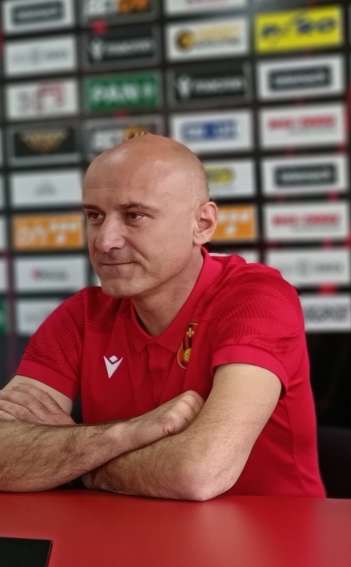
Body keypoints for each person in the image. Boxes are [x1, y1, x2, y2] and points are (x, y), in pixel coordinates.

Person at [0, 134, 325, 500]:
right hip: (123, 531)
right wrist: (124, 434)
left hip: (270, 534)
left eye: (134, 216)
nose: (105, 241)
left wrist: (69, 462)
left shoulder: (257, 300)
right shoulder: (81, 315)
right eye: (95, 216)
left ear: (203, 224)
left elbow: (199, 473)